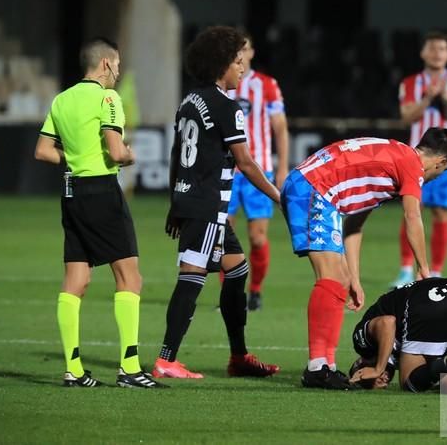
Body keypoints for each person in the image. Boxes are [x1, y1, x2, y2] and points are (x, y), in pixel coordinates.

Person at [281, 128, 447, 389]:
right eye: (443, 171)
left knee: (339, 280)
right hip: (314, 188)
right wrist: (424, 269)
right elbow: (413, 217)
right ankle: (317, 367)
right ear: (441, 162)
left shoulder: (393, 160)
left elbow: (353, 224)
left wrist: (354, 277)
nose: (436, 177)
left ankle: (326, 366)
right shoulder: (411, 165)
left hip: (311, 186)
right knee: (330, 277)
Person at [34, 37, 166, 388]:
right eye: (118, 64)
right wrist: (129, 155)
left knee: (76, 280)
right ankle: (130, 368)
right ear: (106, 63)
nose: (119, 71)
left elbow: (43, 151)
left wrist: (73, 158)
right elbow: (116, 150)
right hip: (102, 192)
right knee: (130, 278)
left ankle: (73, 370)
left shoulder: (62, 100)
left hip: (72, 191)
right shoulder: (108, 98)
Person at [152, 26, 281, 379]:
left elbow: (178, 155)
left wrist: (175, 203)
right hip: (208, 204)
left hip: (197, 203)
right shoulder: (227, 106)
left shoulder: (190, 100)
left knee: (237, 269)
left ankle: (238, 357)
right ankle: (166, 360)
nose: (242, 68)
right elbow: (246, 162)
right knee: (192, 275)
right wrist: (279, 197)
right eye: (237, 62)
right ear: (221, 64)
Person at [392, 31, 447, 288]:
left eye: (442, 49)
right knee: (411, 210)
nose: (437, 53)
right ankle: (406, 269)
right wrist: (428, 97)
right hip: (415, 157)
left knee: (440, 214)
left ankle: (436, 271)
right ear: (423, 53)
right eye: (432, 48)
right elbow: (406, 119)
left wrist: (445, 96)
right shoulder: (410, 83)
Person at [223, 33, 290, 311]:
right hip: (226, 170)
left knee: (257, 237)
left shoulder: (267, 85)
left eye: (245, 48)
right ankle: (229, 295)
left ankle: (256, 291)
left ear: (251, 53)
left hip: (258, 170)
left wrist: (283, 167)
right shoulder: (221, 84)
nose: (241, 53)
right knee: (222, 236)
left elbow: (280, 128)